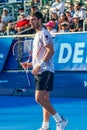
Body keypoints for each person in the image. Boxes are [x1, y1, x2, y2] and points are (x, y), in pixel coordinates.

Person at [21, 11, 68, 130]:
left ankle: (60, 120)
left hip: (45, 70)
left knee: (39, 98)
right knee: (45, 99)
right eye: (31, 19)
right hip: (41, 69)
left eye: (34, 19)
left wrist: (39, 65)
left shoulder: (44, 33)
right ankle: (45, 126)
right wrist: (31, 64)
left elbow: (50, 51)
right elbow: (40, 55)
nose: (31, 22)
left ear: (40, 20)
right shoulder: (37, 34)